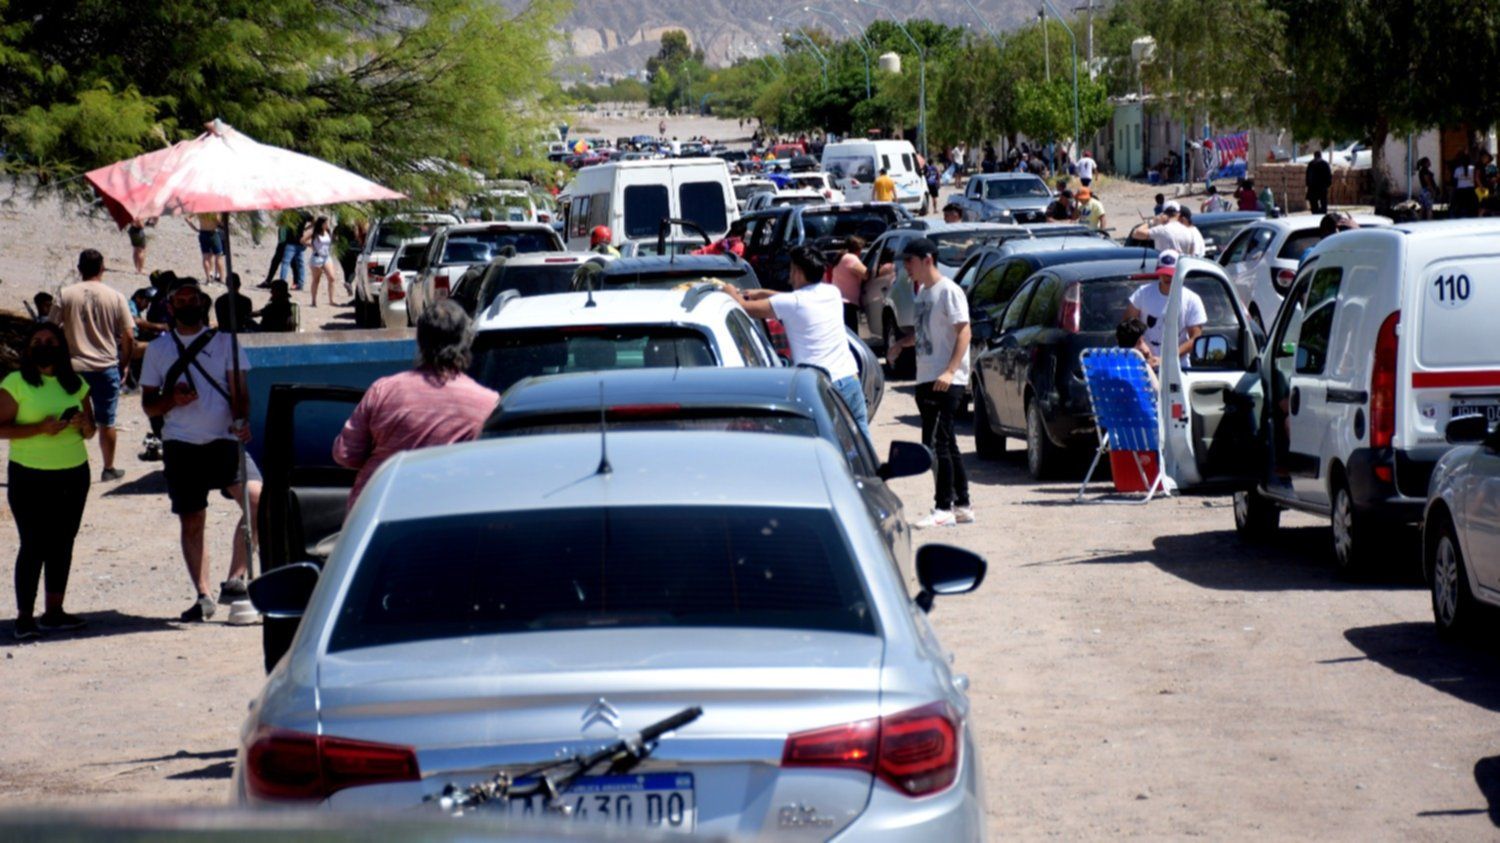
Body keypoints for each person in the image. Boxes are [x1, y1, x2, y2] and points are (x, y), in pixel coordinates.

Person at [140, 277, 254, 622]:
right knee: (193, 519)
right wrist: (172, 398)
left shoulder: (226, 344)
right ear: (170, 308)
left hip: (224, 438)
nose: (188, 305)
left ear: (203, 304)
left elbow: (239, 391)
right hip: (181, 443)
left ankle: (235, 578)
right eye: (181, 300)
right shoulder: (158, 350)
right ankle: (202, 594)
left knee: (258, 502)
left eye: (194, 299)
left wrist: (241, 419)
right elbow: (148, 405)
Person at [332, 301, 499, 512]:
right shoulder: (488, 403)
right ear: (466, 341)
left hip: (376, 516)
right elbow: (492, 470)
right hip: (450, 517)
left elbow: (346, 453)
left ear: (420, 341)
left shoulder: (384, 391)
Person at [0, 323, 97, 639]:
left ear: (61, 347)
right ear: (29, 348)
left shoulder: (76, 384)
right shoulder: (15, 383)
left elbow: (92, 431)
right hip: (29, 474)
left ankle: (54, 611)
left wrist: (83, 424)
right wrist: (39, 429)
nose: (44, 345)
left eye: (51, 341)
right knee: (33, 543)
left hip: (73, 472)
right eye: (38, 341)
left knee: (62, 543)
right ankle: (24, 616)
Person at [725, 246, 870, 443]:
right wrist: (761, 292)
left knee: (828, 444)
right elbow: (793, 299)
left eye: (791, 270)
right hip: (850, 379)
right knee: (861, 440)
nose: (789, 277)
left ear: (799, 272)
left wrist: (730, 291)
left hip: (822, 386)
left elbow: (745, 308)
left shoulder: (792, 302)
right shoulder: (832, 292)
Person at [888, 238, 971, 529]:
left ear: (927, 259)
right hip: (926, 377)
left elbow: (964, 332)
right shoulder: (924, 293)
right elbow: (924, 333)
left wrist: (950, 371)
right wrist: (901, 344)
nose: (905, 268)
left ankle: (943, 507)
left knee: (936, 443)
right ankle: (962, 504)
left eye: (909, 261)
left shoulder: (949, 290)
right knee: (946, 441)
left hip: (945, 379)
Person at [51, 249, 133, 482]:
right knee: (107, 420)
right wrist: (124, 364)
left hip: (74, 366)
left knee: (71, 416)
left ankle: (66, 462)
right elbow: (128, 335)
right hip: (105, 366)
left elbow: (50, 328)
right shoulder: (115, 296)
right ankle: (108, 468)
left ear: (79, 269)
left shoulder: (66, 294)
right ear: (102, 268)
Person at [1123, 250, 1207, 370]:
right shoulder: (1143, 293)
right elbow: (1127, 326)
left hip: (1178, 369)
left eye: (1171, 274)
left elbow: (1196, 339)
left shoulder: (1192, 299)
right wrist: (1141, 348)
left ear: (1180, 273)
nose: (1167, 277)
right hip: (1144, 366)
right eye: (1164, 273)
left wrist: (1168, 358)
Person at [829, 236, 868, 332]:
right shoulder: (851, 258)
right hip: (847, 304)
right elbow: (865, 274)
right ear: (858, 249)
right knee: (852, 335)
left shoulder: (842, 258)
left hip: (840, 303)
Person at [1128, 202, 1196, 254]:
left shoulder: (1161, 230)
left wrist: (1152, 222)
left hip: (1164, 268)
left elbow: (1136, 233)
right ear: (1178, 214)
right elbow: (1191, 254)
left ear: (1164, 214)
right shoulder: (1189, 232)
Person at [1115, 317, 1160, 392]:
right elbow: (1156, 390)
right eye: (1139, 342)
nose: (1147, 350)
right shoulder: (1137, 361)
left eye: (1144, 340)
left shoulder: (1112, 360)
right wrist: (1146, 366)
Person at [304, 216, 338, 308]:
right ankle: (313, 301)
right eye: (325, 223)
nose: (327, 225)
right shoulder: (314, 233)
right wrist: (311, 245)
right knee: (316, 280)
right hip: (317, 257)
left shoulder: (328, 232)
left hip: (326, 257)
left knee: (332, 278)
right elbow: (302, 240)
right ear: (321, 224)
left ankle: (331, 300)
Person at [186, 213, 225, 283]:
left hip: (203, 232)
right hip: (213, 233)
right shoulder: (213, 210)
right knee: (219, 256)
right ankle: (222, 279)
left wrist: (194, 228)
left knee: (205, 257)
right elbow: (219, 221)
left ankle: (208, 278)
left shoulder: (200, 209)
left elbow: (187, 218)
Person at [1305, 149, 1333, 214]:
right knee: (1322, 202)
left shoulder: (1311, 164)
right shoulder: (1324, 164)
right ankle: (1321, 212)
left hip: (1314, 187)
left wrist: (1308, 184)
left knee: (1315, 203)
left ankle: (1317, 212)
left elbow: (1308, 176)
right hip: (1321, 187)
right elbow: (1329, 175)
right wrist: (1328, 184)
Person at [1451, 152, 1478, 218]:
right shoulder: (1473, 168)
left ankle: (1460, 216)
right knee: (1470, 205)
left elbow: (1455, 180)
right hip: (1470, 189)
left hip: (1461, 189)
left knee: (1460, 205)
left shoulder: (1457, 169)